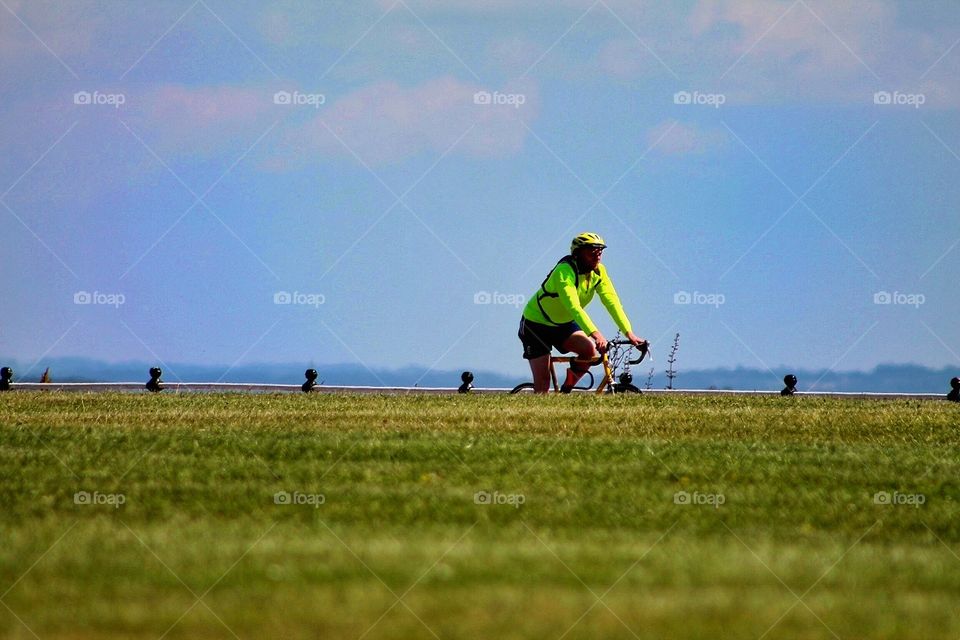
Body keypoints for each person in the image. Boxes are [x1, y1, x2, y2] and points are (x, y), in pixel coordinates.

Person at [518, 232, 647, 393]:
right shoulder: (564, 271)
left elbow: (612, 303)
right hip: (536, 325)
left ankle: (566, 391)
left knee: (589, 351)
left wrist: (630, 333)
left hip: (563, 323)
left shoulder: (599, 272)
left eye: (600, 251)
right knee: (543, 382)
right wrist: (596, 334)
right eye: (592, 251)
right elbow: (574, 307)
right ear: (577, 253)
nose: (597, 255)